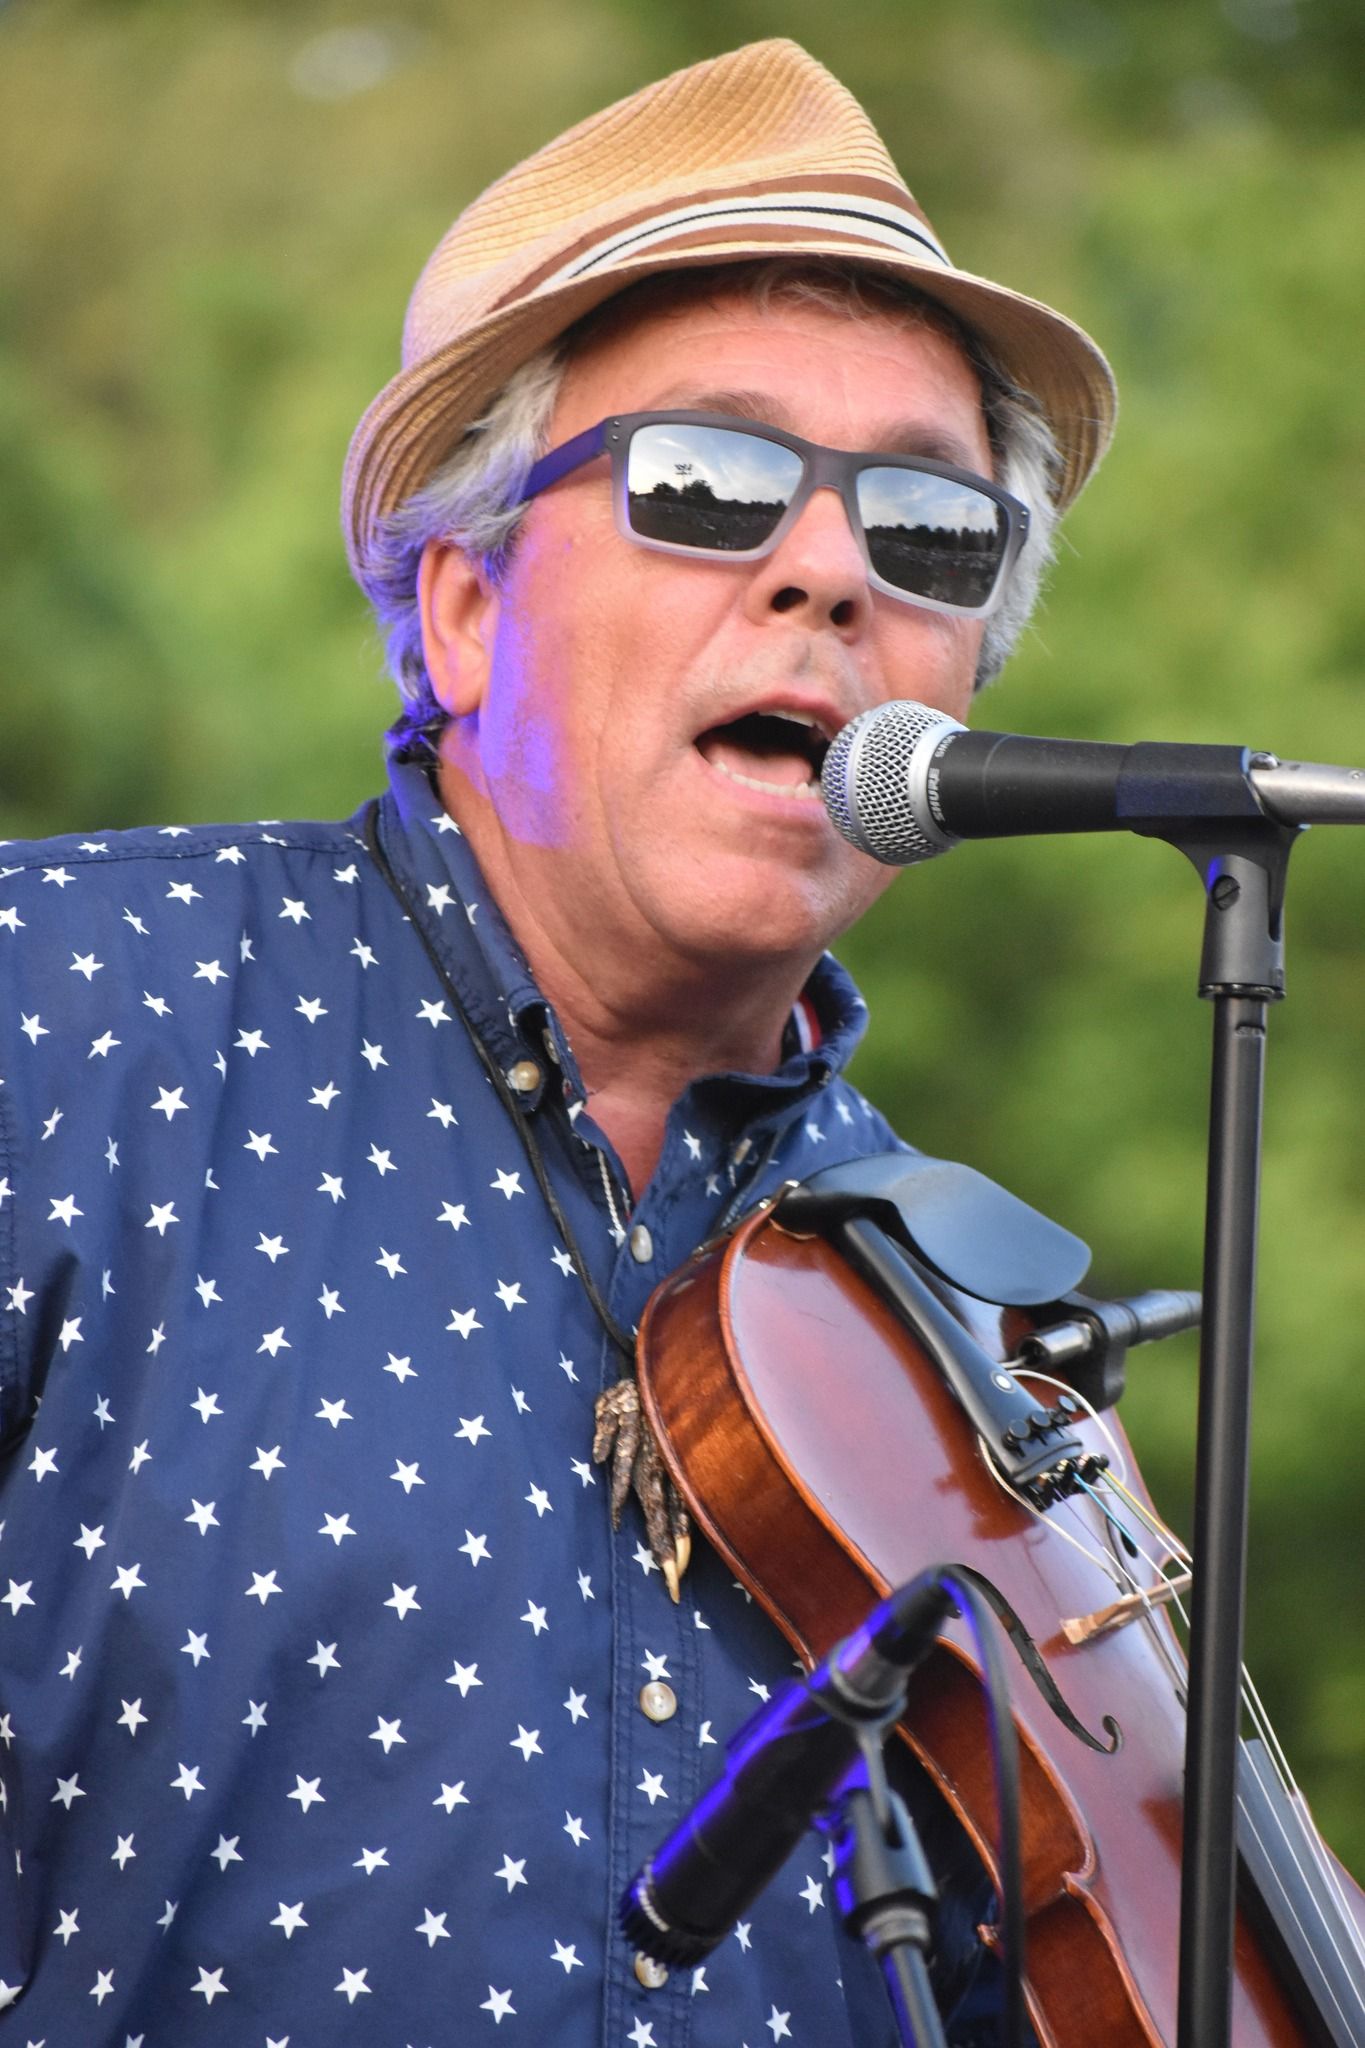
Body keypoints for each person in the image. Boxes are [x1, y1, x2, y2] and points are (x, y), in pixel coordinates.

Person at [0, 38, 1115, 2046]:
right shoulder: (53, 1015)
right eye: (711, 482)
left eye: (928, 531)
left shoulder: (977, 1332)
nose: (829, 572)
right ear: (457, 612)